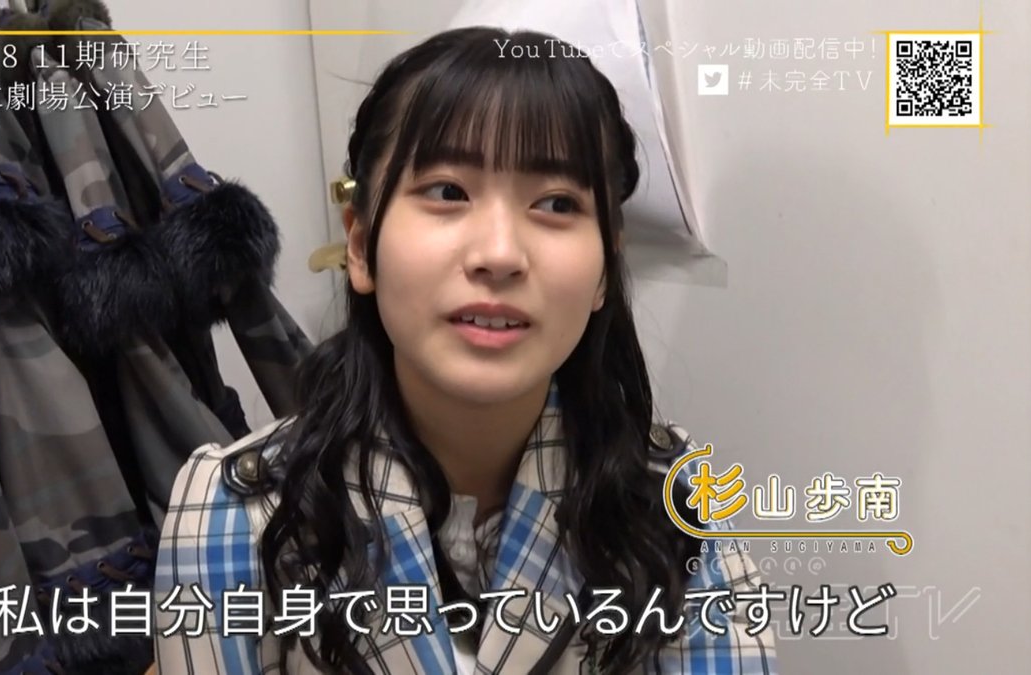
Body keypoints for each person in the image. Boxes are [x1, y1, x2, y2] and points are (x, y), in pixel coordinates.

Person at [153, 26, 778, 675]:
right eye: (448, 191)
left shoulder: (675, 498)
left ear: (603, 270)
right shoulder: (235, 510)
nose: (499, 254)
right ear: (361, 246)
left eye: (557, 202)